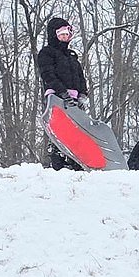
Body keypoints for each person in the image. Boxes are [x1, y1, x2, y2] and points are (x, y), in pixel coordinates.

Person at [37, 17, 89, 171]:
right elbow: (48, 74)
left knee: (77, 131)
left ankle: (77, 162)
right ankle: (57, 162)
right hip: (57, 97)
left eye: (67, 34)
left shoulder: (72, 56)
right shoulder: (47, 53)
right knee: (59, 131)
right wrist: (62, 91)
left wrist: (82, 94)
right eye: (61, 34)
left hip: (74, 100)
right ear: (54, 35)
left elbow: (80, 77)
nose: (65, 37)